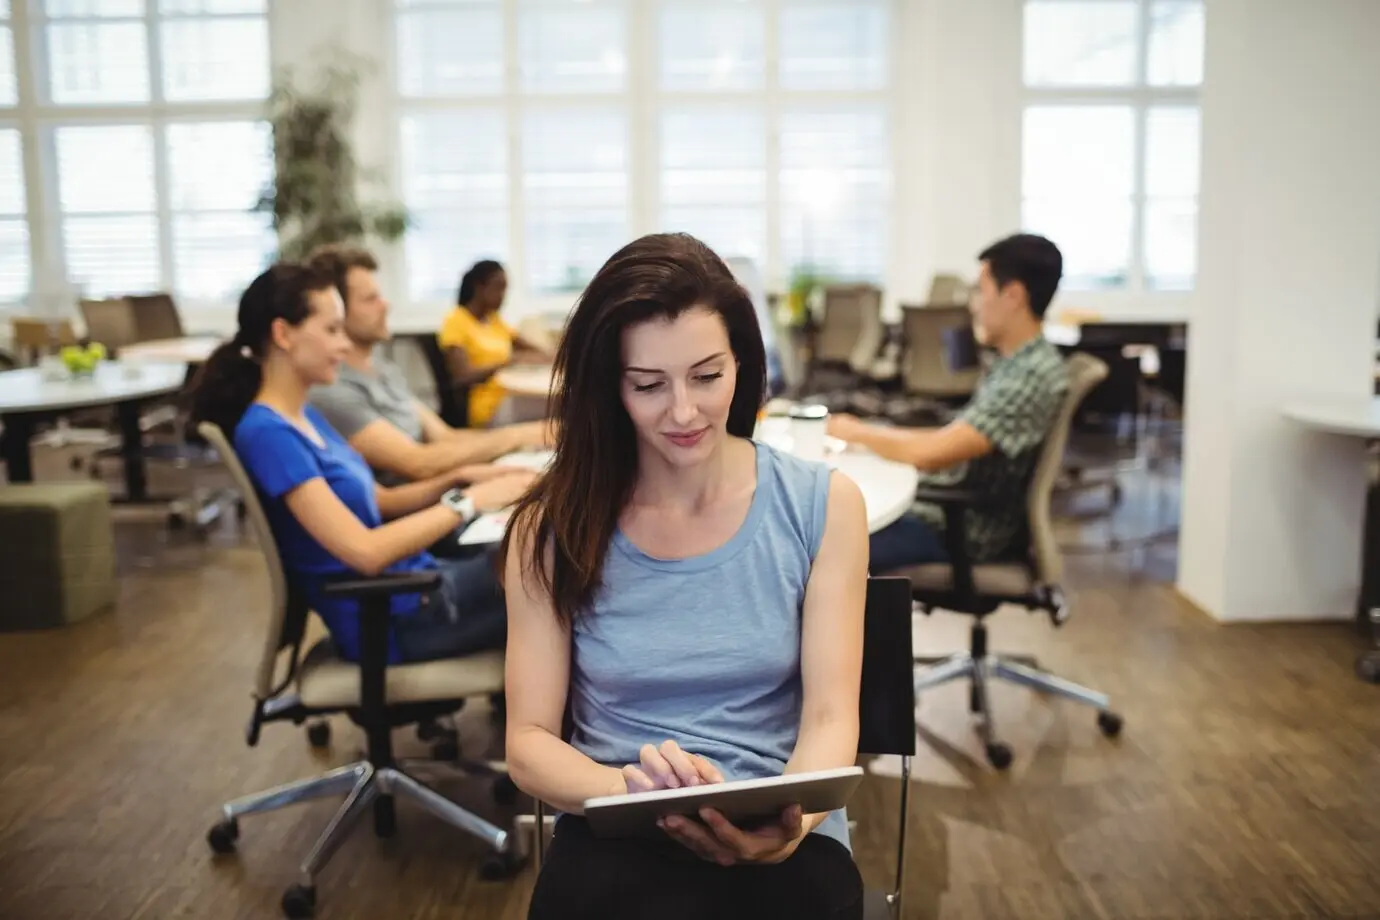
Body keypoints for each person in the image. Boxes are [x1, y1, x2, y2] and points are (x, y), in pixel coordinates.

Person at [501, 233, 869, 919]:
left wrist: (791, 828)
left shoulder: (824, 506)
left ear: (743, 363)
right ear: (609, 385)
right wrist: (633, 793)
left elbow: (828, 717)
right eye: (648, 385)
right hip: (612, 815)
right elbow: (527, 743)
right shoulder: (551, 530)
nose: (683, 412)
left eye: (707, 376)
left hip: (781, 825)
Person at [188, 262, 538, 665]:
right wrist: (469, 501)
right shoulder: (268, 434)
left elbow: (382, 500)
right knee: (559, 574)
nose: (342, 345)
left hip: (418, 587)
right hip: (398, 618)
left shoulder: (303, 416)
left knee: (535, 550)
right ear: (283, 334)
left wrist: (459, 478)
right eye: (332, 330)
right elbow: (366, 552)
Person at [828, 233, 1070, 574]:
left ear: (1013, 295)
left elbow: (934, 452)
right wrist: (873, 436)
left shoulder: (1030, 375)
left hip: (962, 530)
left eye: (980, 291)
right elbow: (955, 435)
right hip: (948, 512)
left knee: (821, 544)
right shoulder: (1013, 363)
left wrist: (860, 433)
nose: (973, 304)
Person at [306, 246, 550, 487]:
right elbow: (417, 462)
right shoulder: (333, 389)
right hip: (424, 506)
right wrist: (519, 436)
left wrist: (529, 439)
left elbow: (445, 437)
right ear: (337, 310)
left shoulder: (383, 369)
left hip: (449, 489)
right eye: (371, 299)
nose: (386, 305)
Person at [437, 259, 555, 427]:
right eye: (499, 287)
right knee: (559, 410)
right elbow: (462, 376)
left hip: (511, 394)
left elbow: (528, 347)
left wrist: (551, 354)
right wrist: (507, 362)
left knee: (562, 404)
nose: (503, 295)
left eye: (505, 289)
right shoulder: (455, 321)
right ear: (479, 287)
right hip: (487, 408)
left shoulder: (494, 320)